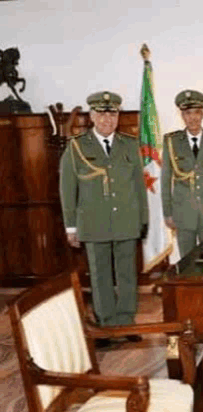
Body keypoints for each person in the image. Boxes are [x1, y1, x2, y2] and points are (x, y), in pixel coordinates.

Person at [59, 91, 148, 347]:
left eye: (113, 114)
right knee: (100, 275)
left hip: (126, 220)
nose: (107, 119)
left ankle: (126, 321)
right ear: (92, 116)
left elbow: (139, 186)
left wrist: (143, 219)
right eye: (102, 114)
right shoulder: (76, 146)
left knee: (127, 274)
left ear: (118, 116)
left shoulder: (129, 144)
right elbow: (68, 189)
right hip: (93, 221)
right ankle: (106, 325)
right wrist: (71, 226)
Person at [161, 89, 203, 256]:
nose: (192, 118)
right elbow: (165, 180)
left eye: (197, 113)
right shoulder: (171, 141)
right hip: (183, 214)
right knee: (186, 261)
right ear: (182, 115)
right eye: (187, 113)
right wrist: (167, 212)